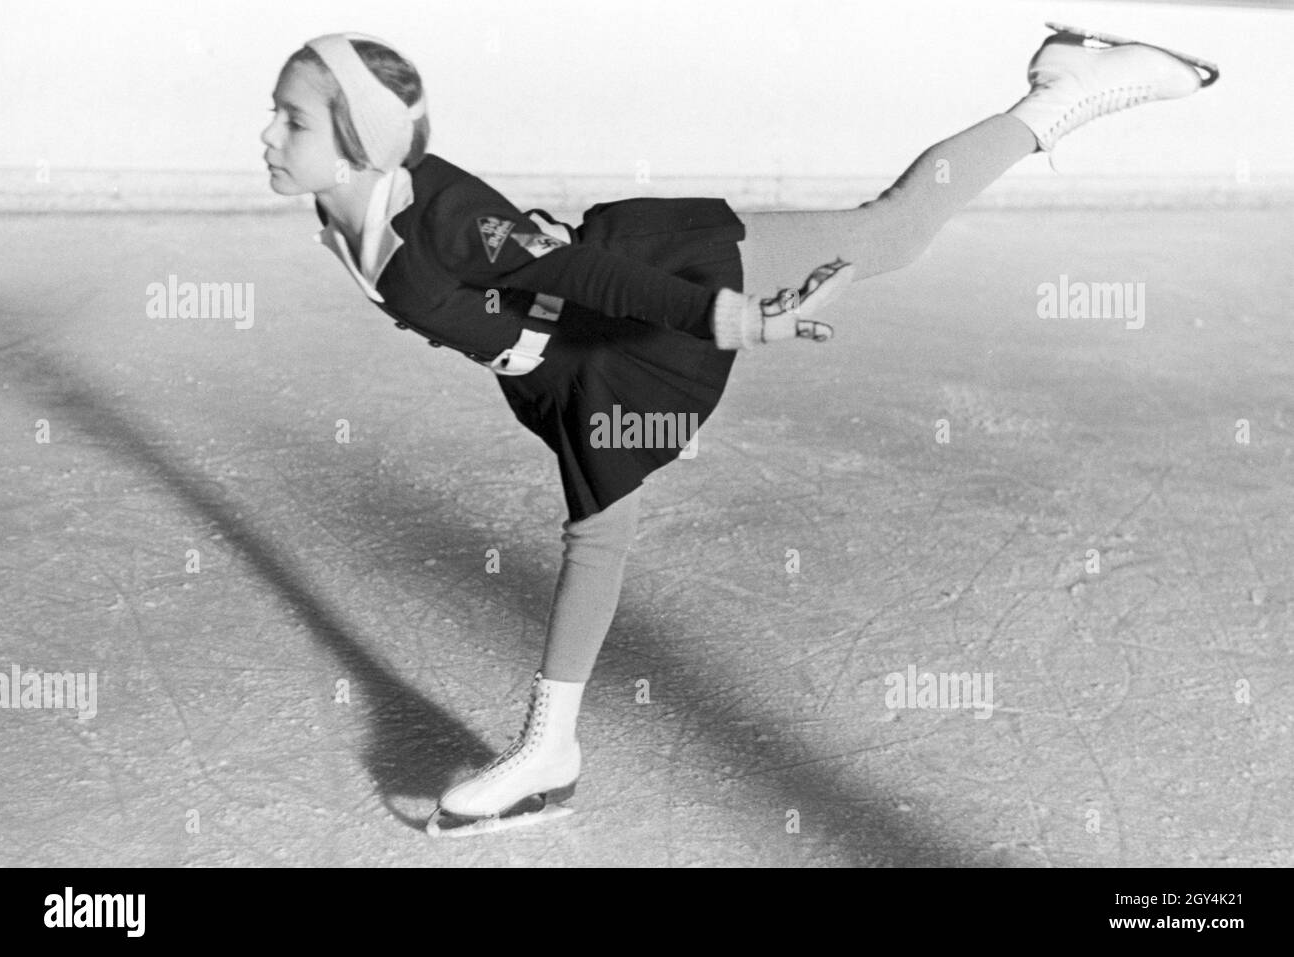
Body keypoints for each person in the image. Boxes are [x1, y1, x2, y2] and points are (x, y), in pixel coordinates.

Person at [261, 24, 1217, 834]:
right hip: (567, 369)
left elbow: (582, 279)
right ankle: (550, 749)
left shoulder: (445, 221)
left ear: (357, 143)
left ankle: (1064, 91)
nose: (269, 133)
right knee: (598, 533)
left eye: (292, 119)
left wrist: (731, 317)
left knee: (887, 232)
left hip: (640, 310)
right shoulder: (340, 207)